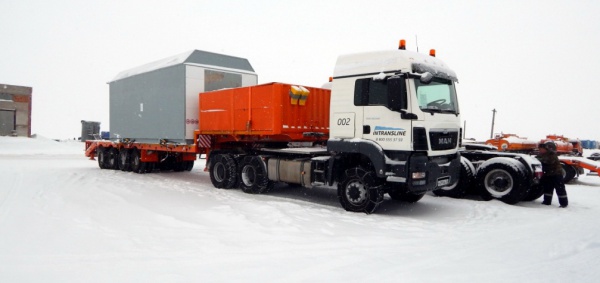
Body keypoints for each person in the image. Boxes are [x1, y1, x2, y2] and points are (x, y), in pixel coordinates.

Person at [537, 141, 568, 208]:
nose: (540, 150)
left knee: (560, 189)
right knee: (548, 188)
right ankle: (547, 201)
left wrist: (539, 160)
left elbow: (547, 161)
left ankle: (563, 203)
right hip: (548, 174)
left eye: (541, 149)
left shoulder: (551, 154)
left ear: (545, 148)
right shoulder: (541, 155)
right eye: (539, 149)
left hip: (556, 174)